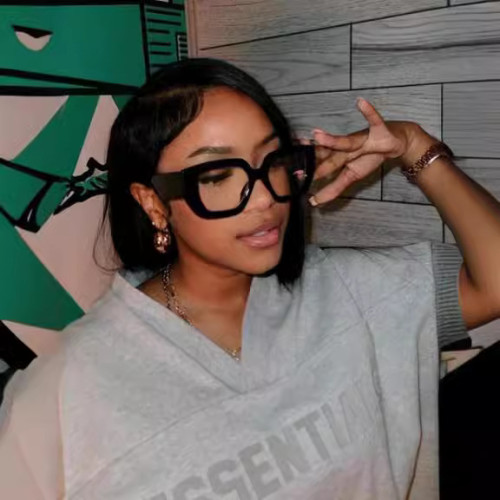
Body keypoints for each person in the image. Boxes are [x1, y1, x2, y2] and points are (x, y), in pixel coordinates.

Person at [1, 58, 499, 500]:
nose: (264, 198)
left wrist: (414, 146)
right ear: (153, 202)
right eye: (217, 176)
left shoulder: (344, 289)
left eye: (272, 161)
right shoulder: (67, 390)